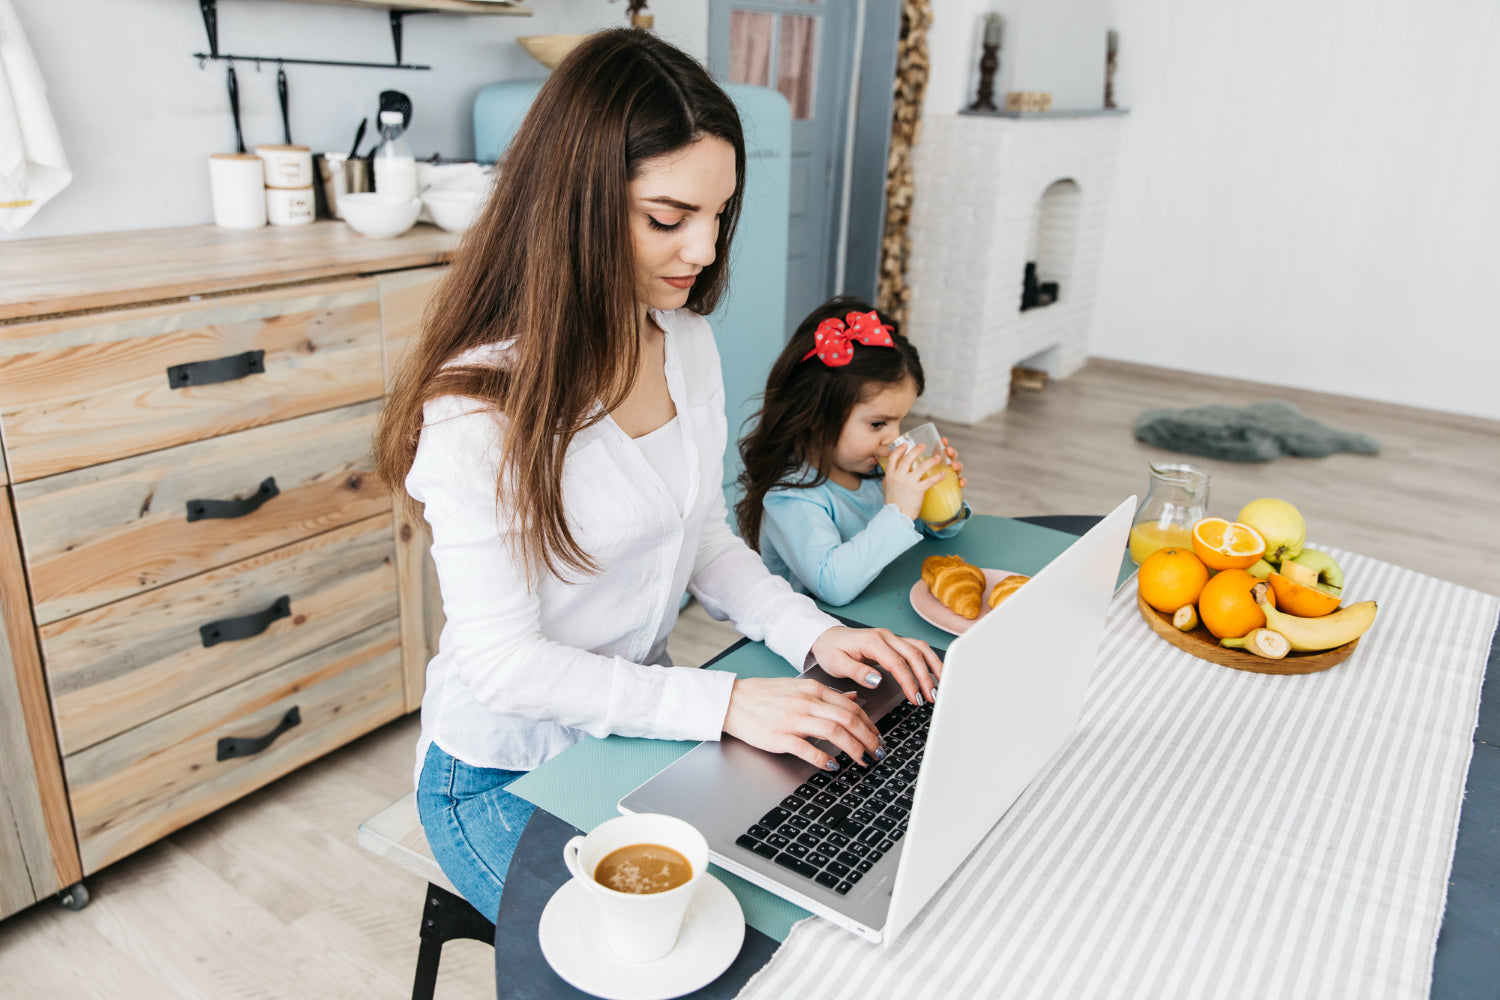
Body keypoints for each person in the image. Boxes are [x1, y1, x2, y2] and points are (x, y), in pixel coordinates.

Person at [373, 29, 942, 922]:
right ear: (576, 204)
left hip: (637, 728)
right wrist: (726, 702)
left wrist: (810, 632)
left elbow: (703, 532)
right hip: (504, 771)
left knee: (797, 905)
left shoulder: (684, 344)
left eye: (719, 215)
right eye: (668, 219)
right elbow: (504, 666)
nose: (705, 252)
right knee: (666, 947)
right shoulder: (477, 408)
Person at [734, 296, 971, 606]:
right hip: (815, 643)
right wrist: (899, 511)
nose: (893, 439)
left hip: (880, 619)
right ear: (817, 418)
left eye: (900, 421)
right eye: (878, 424)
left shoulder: (875, 473)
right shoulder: (792, 498)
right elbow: (833, 586)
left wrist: (939, 503)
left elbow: (939, 533)